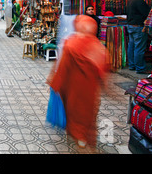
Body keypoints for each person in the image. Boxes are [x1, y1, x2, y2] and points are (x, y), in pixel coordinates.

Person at [47, 15, 110, 148]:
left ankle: (77, 135)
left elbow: (62, 67)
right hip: (90, 90)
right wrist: (106, 86)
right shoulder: (97, 46)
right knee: (88, 113)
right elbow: (103, 68)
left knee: (73, 111)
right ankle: (84, 137)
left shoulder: (71, 43)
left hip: (73, 89)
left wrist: (55, 83)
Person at [126, 0, 152, 74]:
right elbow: (147, 13)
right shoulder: (140, 2)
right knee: (139, 48)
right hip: (138, 27)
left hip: (131, 26)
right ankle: (140, 68)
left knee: (132, 46)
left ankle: (132, 65)